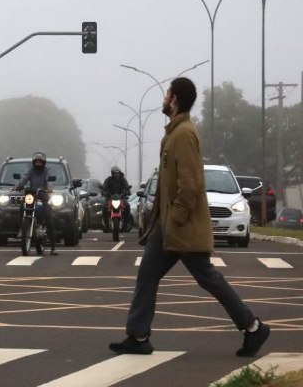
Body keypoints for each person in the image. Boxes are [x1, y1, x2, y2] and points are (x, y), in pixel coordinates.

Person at [108, 77, 269, 357]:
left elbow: (191, 183)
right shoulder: (174, 133)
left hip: (181, 226)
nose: (164, 97)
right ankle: (138, 335)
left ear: (175, 100)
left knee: (208, 277)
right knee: (147, 276)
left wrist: (177, 218)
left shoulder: (184, 134)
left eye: (167, 93)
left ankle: (253, 327)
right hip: (168, 226)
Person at [15, 151, 57, 256]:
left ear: (44, 163)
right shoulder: (31, 171)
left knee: (48, 217)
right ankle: (22, 228)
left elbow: (49, 181)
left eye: (40, 162)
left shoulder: (47, 172)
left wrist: (49, 189)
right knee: (22, 206)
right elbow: (24, 179)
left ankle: (53, 247)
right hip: (32, 194)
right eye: (36, 162)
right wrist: (19, 185)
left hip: (43, 195)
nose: (38, 164)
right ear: (33, 162)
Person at [101, 165, 131, 230]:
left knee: (127, 206)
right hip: (110, 198)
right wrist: (104, 191)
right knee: (104, 207)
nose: (117, 174)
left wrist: (127, 191)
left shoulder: (123, 179)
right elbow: (104, 187)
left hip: (121, 198)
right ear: (112, 173)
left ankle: (125, 225)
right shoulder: (108, 179)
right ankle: (106, 225)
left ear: (120, 173)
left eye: (118, 173)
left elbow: (127, 186)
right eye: (115, 173)